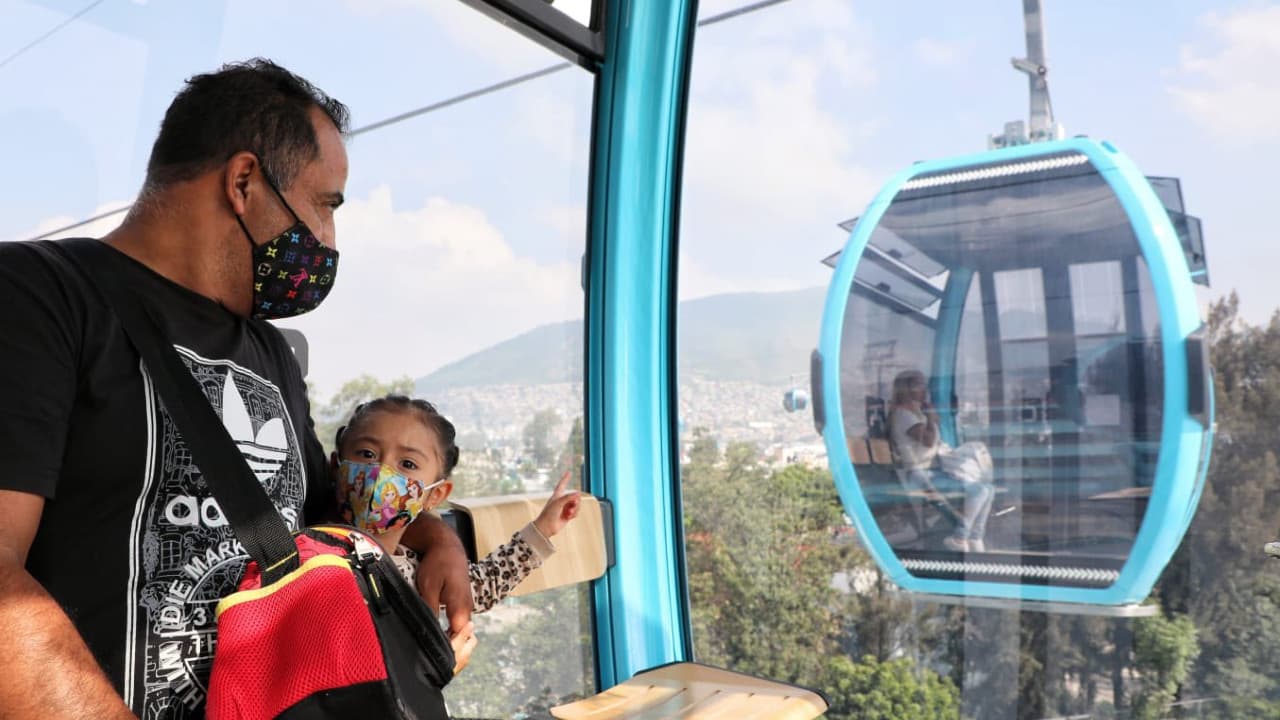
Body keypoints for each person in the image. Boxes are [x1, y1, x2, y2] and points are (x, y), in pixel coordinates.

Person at [0, 59, 471, 719]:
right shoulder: (36, 297)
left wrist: (437, 536)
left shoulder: (270, 351)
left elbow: (331, 512)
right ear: (245, 181)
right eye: (324, 205)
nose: (328, 240)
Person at [332, 395, 581, 614]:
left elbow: (483, 585)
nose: (381, 472)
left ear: (435, 495)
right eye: (367, 454)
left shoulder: (418, 569)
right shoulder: (321, 563)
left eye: (407, 464)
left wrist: (543, 529)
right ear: (336, 466)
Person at [888, 369, 995, 552]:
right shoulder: (902, 415)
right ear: (907, 389)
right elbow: (928, 440)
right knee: (978, 491)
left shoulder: (917, 413)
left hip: (934, 469)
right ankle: (960, 536)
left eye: (924, 385)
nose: (924, 390)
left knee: (988, 489)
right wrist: (930, 419)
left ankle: (975, 536)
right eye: (919, 386)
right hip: (918, 472)